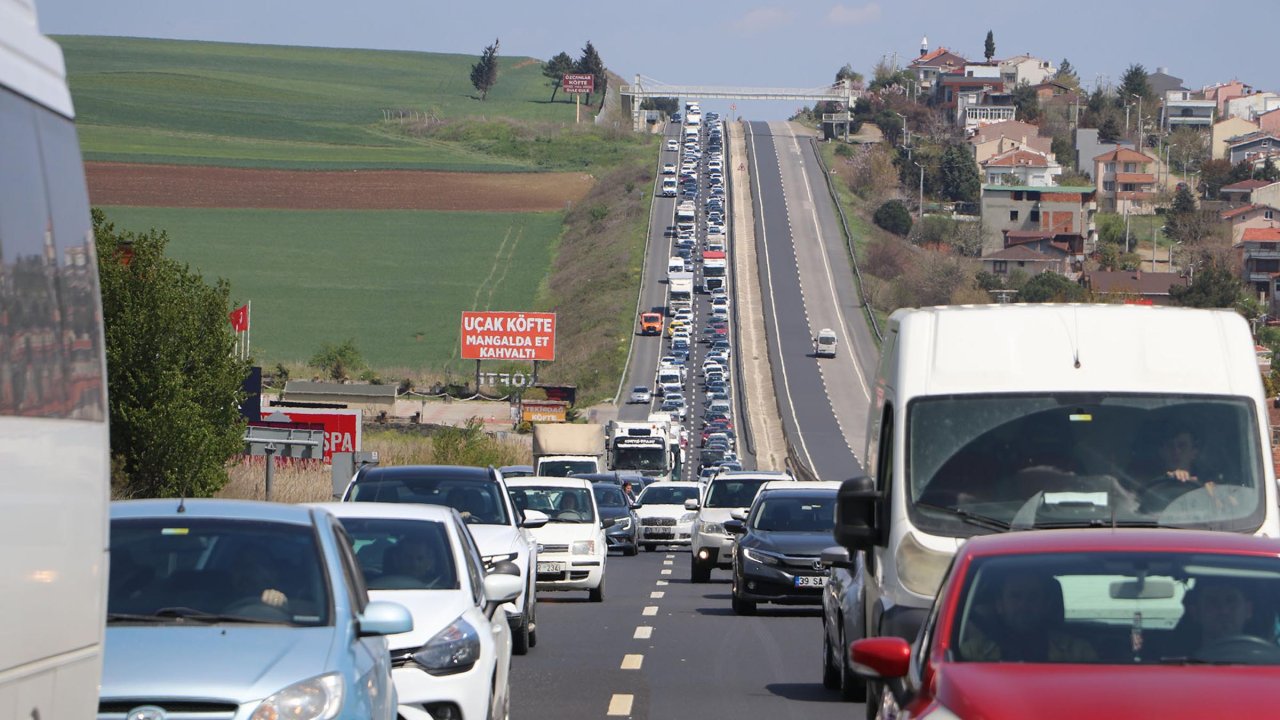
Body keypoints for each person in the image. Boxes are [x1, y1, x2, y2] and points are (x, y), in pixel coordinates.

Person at [960, 573, 1096, 662]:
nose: (1024, 605)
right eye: (1015, 596)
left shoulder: (1077, 652)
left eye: (1033, 597)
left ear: (1045, 605)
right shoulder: (971, 654)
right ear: (999, 605)